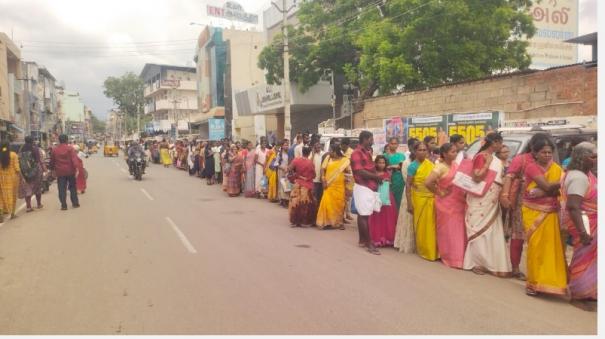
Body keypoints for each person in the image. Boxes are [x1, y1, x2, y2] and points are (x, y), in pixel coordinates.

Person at [501, 133, 550, 280]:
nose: (546, 153)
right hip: (522, 203)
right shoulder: (521, 160)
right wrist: (505, 196)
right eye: (542, 149)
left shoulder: (549, 160)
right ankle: (515, 268)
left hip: (544, 204)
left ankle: (539, 270)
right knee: (518, 235)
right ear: (534, 148)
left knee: (539, 238)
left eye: (548, 150)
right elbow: (509, 178)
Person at [522, 137, 567, 297]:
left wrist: (547, 189)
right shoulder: (531, 168)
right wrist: (562, 180)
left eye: (550, 152)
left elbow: (557, 191)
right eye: (544, 152)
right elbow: (549, 186)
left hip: (551, 212)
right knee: (536, 247)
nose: (547, 155)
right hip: (533, 212)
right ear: (535, 153)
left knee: (551, 248)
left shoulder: (555, 167)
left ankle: (551, 283)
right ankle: (533, 283)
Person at [463, 132, 511, 276]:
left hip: (492, 197)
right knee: (479, 228)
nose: (502, 146)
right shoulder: (481, 156)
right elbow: (476, 177)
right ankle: (476, 262)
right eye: (500, 143)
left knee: (491, 229)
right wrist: (488, 164)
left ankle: (491, 262)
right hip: (481, 197)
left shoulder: (496, 159)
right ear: (494, 143)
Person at [561, 142, 597, 311]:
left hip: (590, 223)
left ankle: (589, 291)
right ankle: (578, 293)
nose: (596, 160)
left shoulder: (584, 174)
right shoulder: (578, 177)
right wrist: (583, 232)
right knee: (583, 258)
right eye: (593, 157)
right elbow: (574, 206)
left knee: (590, 259)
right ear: (582, 158)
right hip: (585, 225)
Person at [425, 143, 466, 268]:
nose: (455, 153)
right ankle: (450, 257)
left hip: (458, 201)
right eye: (452, 152)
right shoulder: (440, 167)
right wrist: (440, 192)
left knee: (459, 229)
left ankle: (461, 257)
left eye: (455, 151)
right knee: (448, 230)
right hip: (445, 202)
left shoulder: (456, 165)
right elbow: (428, 182)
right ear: (445, 154)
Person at [351, 131, 384, 255]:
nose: (373, 141)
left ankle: (362, 240)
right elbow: (359, 172)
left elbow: (370, 168)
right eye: (371, 139)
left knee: (363, 214)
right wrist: (376, 177)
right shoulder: (356, 153)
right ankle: (369, 244)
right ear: (365, 139)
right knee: (364, 215)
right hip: (362, 186)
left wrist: (376, 177)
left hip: (369, 186)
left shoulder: (367, 152)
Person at [406, 142, 438, 261]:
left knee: (431, 225)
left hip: (431, 197)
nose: (423, 152)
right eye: (420, 150)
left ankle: (433, 250)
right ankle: (424, 250)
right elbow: (408, 185)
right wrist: (409, 203)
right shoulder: (412, 166)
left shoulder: (431, 164)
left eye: (425, 150)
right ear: (415, 152)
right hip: (418, 197)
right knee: (421, 225)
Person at [316, 144, 351, 230]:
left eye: (331, 150)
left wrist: (348, 184)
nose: (329, 152)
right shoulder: (328, 158)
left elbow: (349, 172)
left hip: (340, 187)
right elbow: (322, 169)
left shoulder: (345, 160)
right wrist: (323, 180)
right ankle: (326, 222)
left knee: (339, 204)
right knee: (326, 203)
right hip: (328, 185)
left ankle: (338, 222)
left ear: (335, 152)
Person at [394, 138, 419, 253]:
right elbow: (406, 180)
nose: (418, 151)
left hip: (421, 193)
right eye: (415, 148)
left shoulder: (423, 162)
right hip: (410, 192)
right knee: (408, 218)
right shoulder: (406, 163)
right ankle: (406, 243)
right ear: (410, 148)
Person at [369, 155, 397, 247]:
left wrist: (387, 181)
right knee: (377, 217)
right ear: (376, 163)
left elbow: (390, 183)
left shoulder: (388, 173)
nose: (381, 164)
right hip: (377, 196)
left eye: (383, 163)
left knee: (388, 218)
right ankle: (377, 238)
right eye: (379, 162)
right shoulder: (373, 173)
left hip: (387, 197)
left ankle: (388, 238)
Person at [288, 146, 317, 227]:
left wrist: (296, 174)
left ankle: (295, 221)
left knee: (295, 202)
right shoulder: (310, 163)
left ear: (302, 152)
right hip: (307, 185)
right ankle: (306, 221)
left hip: (297, 184)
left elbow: (289, 168)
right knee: (307, 203)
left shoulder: (296, 160)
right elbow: (314, 175)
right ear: (309, 153)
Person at [50, 134, 80, 211]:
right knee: (73, 187)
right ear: (66, 140)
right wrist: (77, 168)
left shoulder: (55, 150)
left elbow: (52, 161)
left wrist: (52, 170)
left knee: (61, 188)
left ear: (59, 141)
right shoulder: (70, 149)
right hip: (70, 171)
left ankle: (64, 205)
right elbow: (74, 159)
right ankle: (75, 203)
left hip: (60, 172)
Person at [18, 136, 45, 212]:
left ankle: (28, 206)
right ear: (32, 141)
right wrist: (44, 169)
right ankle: (39, 204)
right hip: (36, 171)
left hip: (25, 172)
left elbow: (19, 160)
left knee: (28, 188)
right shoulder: (36, 149)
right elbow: (39, 160)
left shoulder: (21, 149)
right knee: (38, 187)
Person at [384, 137, 406, 211]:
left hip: (399, 180)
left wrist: (392, 166)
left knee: (398, 200)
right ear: (389, 144)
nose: (394, 145)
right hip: (386, 181)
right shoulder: (384, 156)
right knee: (387, 200)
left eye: (395, 143)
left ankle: (397, 220)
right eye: (392, 143)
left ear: (398, 145)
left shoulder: (401, 156)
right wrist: (393, 166)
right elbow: (380, 167)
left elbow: (402, 167)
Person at [0, 142, 20, 220]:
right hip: (12, 179)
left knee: (1, 197)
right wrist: (21, 177)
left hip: (1, 178)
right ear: (8, 147)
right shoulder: (13, 155)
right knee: (13, 195)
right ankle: (12, 214)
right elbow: (17, 168)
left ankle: (1, 214)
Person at [341, 137, 354, 222]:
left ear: (347, 145)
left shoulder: (352, 152)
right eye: (342, 145)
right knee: (342, 196)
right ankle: (342, 215)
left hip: (349, 176)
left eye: (345, 146)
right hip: (341, 176)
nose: (343, 147)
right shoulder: (339, 151)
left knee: (348, 197)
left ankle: (347, 213)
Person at [277, 139, 291, 207]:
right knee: (282, 185)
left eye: (287, 145)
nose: (287, 146)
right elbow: (276, 164)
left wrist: (288, 168)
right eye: (285, 145)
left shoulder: (289, 153)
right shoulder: (279, 154)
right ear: (282, 146)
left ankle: (287, 199)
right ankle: (282, 200)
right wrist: (283, 168)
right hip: (281, 171)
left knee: (287, 185)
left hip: (287, 171)